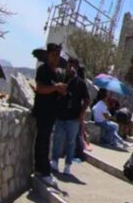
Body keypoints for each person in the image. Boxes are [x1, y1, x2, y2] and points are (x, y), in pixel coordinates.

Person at [33, 43, 67, 187]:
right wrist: (55, 87)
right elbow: (40, 88)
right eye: (53, 55)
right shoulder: (43, 69)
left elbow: (54, 90)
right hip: (43, 110)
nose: (56, 58)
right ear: (48, 55)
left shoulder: (56, 73)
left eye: (58, 56)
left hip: (51, 112)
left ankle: (41, 169)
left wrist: (61, 90)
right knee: (43, 141)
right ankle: (44, 171)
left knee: (45, 140)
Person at [51, 57, 90, 176]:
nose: (71, 68)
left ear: (77, 68)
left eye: (73, 66)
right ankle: (54, 161)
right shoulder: (62, 78)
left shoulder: (80, 83)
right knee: (57, 139)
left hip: (73, 117)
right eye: (69, 65)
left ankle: (68, 165)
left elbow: (86, 99)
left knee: (71, 142)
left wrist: (81, 113)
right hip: (60, 115)